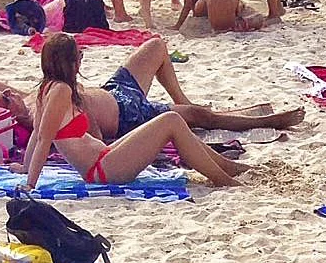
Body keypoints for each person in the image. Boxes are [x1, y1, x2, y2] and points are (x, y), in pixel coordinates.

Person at [23, 33, 252, 190]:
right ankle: (223, 179)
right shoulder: (61, 90)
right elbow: (44, 139)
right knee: (171, 120)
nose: (81, 62)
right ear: (71, 62)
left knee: (171, 121)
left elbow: (37, 133)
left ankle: (226, 167)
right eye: (79, 57)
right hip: (102, 170)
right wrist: (30, 184)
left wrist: (25, 168)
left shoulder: (47, 89)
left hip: (105, 158)